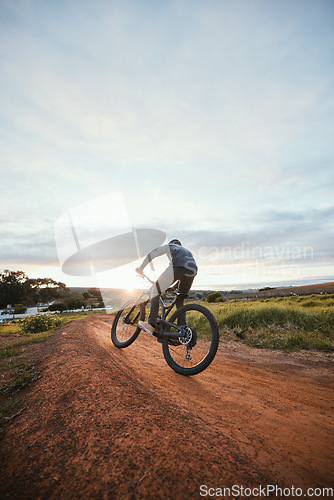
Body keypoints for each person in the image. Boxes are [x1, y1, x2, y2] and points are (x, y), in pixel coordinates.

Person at [136, 239, 198, 334]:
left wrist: (141, 268)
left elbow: (152, 254)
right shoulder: (186, 252)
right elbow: (184, 272)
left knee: (155, 291)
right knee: (180, 300)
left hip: (177, 266)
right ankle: (182, 330)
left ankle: (151, 323)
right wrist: (174, 287)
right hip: (192, 271)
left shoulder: (170, 246)